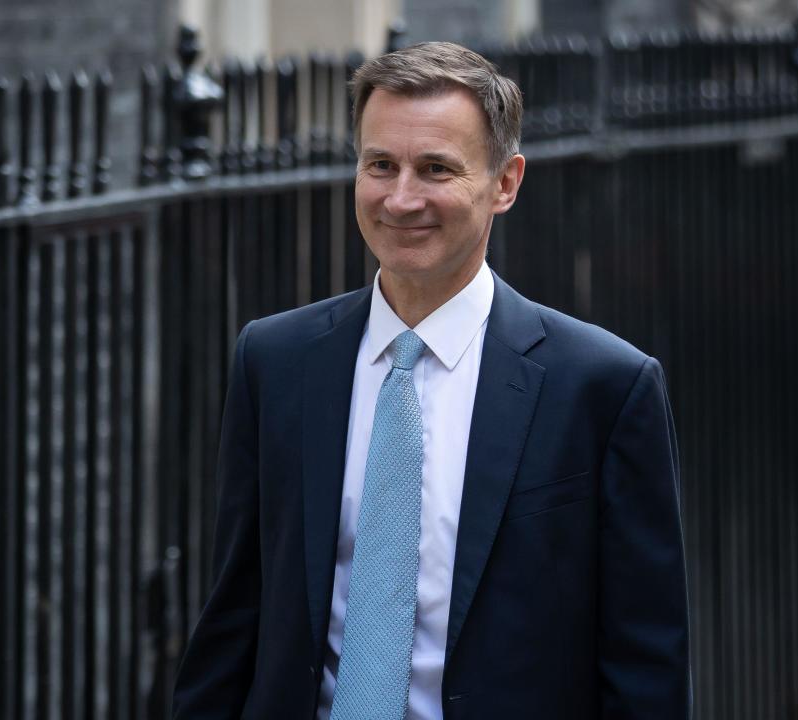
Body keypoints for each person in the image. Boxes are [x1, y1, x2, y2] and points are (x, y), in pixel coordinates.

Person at [172, 41, 690, 720]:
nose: (402, 197)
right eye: (380, 165)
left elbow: (645, 664)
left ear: (505, 182)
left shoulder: (604, 388)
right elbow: (233, 617)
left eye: (436, 169)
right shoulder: (275, 360)